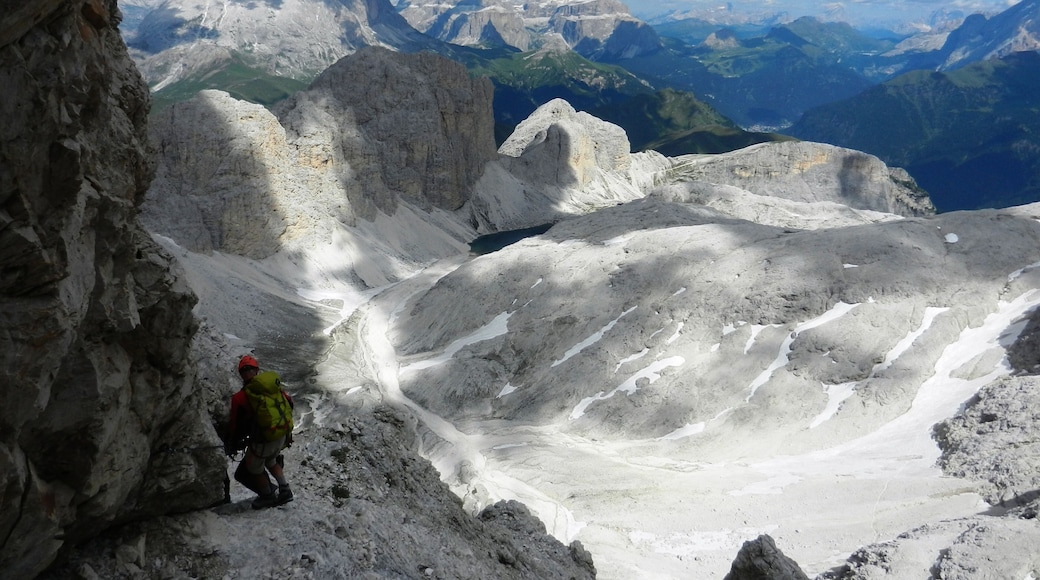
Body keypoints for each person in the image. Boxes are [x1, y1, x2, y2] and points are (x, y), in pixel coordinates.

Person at [227, 354, 294, 509]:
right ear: (257, 370)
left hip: (264, 439)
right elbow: (289, 402)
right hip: (281, 434)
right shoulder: (273, 389)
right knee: (271, 460)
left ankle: (268, 496)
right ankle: (285, 490)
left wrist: (233, 441)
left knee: (253, 468)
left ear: (241, 374)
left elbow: (234, 424)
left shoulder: (240, 397)